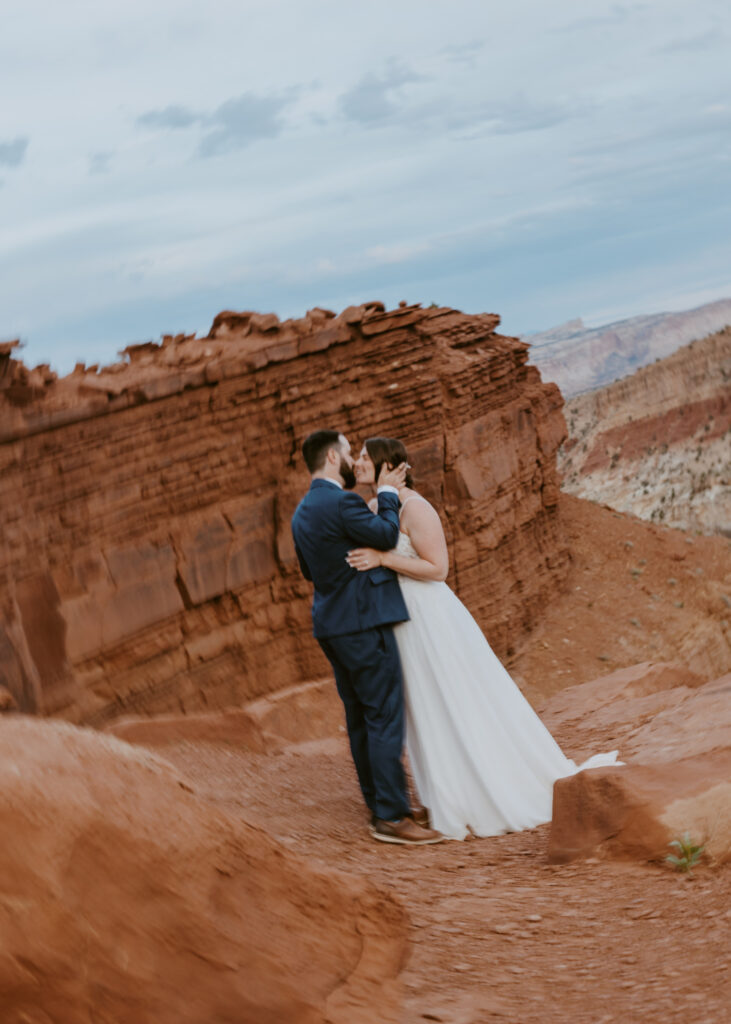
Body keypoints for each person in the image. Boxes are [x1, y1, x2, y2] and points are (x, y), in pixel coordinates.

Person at [347, 436, 621, 841]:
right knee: (425, 705)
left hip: (427, 615)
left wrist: (385, 559)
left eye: (366, 456)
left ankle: (484, 787)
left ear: (391, 465)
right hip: (397, 618)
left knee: (452, 697)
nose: (358, 461)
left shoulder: (416, 507)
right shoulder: (375, 507)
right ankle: (446, 794)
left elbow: (438, 568)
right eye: (357, 456)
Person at [291, 429, 445, 846]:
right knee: (383, 716)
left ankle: (378, 802)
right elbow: (385, 536)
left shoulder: (301, 511)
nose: (350, 459)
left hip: (330, 626)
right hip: (362, 625)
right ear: (330, 458)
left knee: (359, 718)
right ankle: (393, 817)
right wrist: (389, 493)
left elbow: (309, 571)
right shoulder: (342, 501)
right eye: (345, 452)